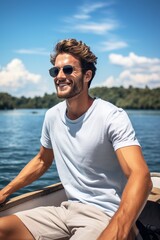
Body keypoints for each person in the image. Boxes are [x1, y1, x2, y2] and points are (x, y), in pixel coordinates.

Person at [0, 38, 152, 240]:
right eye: (55, 71)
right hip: (66, 210)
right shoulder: (52, 116)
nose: (60, 76)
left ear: (87, 75)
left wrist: (118, 231)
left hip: (105, 214)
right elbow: (42, 161)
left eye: (68, 70)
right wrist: (4, 192)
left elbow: (140, 176)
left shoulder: (111, 116)